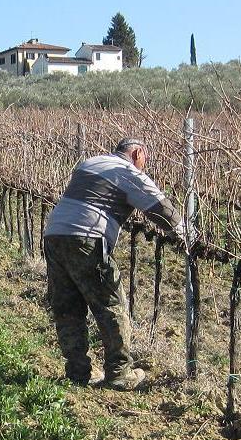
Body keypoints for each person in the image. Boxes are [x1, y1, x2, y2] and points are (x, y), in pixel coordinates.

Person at [44, 138, 186, 390]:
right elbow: (160, 208)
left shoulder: (90, 162)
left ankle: (77, 372)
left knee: (67, 308)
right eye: (145, 161)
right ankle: (119, 373)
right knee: (111, 305)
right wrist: (186, 236)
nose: (144, 167)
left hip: (54, 234)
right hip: (86, 238)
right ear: (137, 153)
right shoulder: (125, 171)